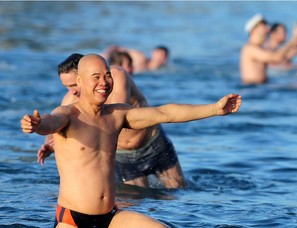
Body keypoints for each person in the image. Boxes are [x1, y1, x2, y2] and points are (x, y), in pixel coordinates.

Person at [21, 54, 242, 228]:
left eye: (107, 75)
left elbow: (165, 113)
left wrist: (214, 109)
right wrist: (37, 125)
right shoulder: (68, 114)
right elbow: (49, 122)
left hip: (110, 217)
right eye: (95, 77)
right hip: (73, 221)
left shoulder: (117, 114)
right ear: (79, 81)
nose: (104, 82)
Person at [38, 53, 186, 189]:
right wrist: (49, 144)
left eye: (73, 85)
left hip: (153, 144)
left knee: (177, 192)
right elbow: (55, 120)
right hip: (123, 156)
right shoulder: (70, 100)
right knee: (135, 200)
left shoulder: (116, 77)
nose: (73, 91)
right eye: (67, 87)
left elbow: (115, 118)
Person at [240, 13, 297, 85]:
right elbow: (276, 57)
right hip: (253, 90)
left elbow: (281, 58)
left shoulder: (260, 48)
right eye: (264, 26)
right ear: (254, 30)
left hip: (262, 87)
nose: (267, 29)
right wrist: (294, 39)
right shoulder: (250, 48)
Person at [103, 45, 169, 73]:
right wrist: (105, 54)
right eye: (160, 55)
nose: (162, 58)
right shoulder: (140, 57)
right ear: (153, 53)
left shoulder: (164, 69)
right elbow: (117, 47)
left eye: (164, 56)